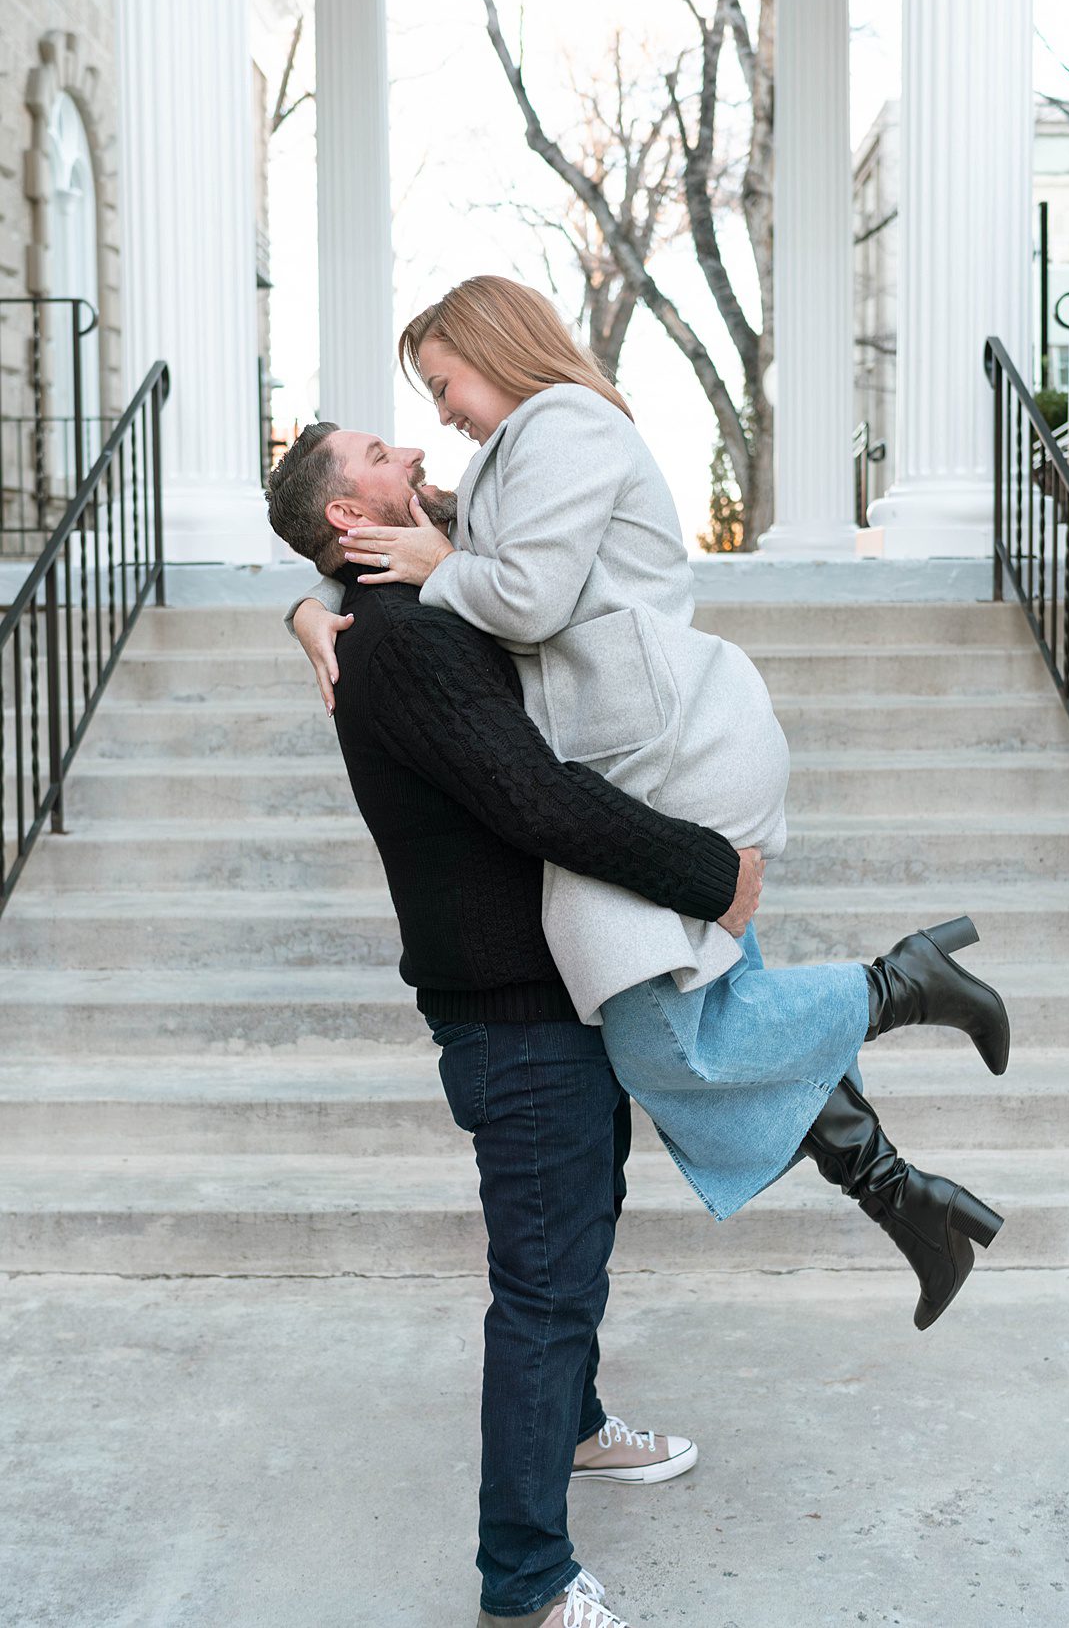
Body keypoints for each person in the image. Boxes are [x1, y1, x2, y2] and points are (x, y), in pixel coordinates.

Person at [286, 277, 1009, 1333]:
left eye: (444, 385)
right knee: (716, 1017)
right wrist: (311, 604)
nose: (436, 416)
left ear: (495, 351)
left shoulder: (564, 426)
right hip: (630, 758)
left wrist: (437, 561)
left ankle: (902, 984)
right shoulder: (501, 458)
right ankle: (910, 1202)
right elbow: (360, 536)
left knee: (670, 1043)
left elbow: (518, 593)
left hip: (668, 752)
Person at [267, 434, 765, 1628]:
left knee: (576, 1238)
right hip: (513, 1013)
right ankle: (526, 1579)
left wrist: (301, 604)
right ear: (351, 509)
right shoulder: (402, 641)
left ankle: (582, 1431)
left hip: (548, 993)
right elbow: (537, 797)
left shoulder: (402, 614)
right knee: (543, 1286)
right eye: (388, 451)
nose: (420, 446)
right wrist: (712, 873)